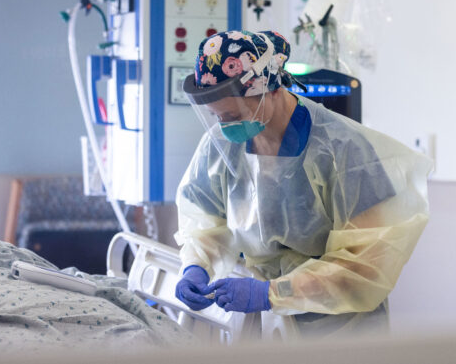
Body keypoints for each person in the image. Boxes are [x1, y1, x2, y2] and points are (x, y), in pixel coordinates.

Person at [174, 29, 432, 338]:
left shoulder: (344, 150)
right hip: (267, 327)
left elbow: (364, 266)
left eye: (234, 113)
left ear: (269, 88)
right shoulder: (221, 146)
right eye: (218, 117)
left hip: (342, 331)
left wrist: (272, 292)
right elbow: (205, 220)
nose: (225, 126)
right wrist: (196, 265)